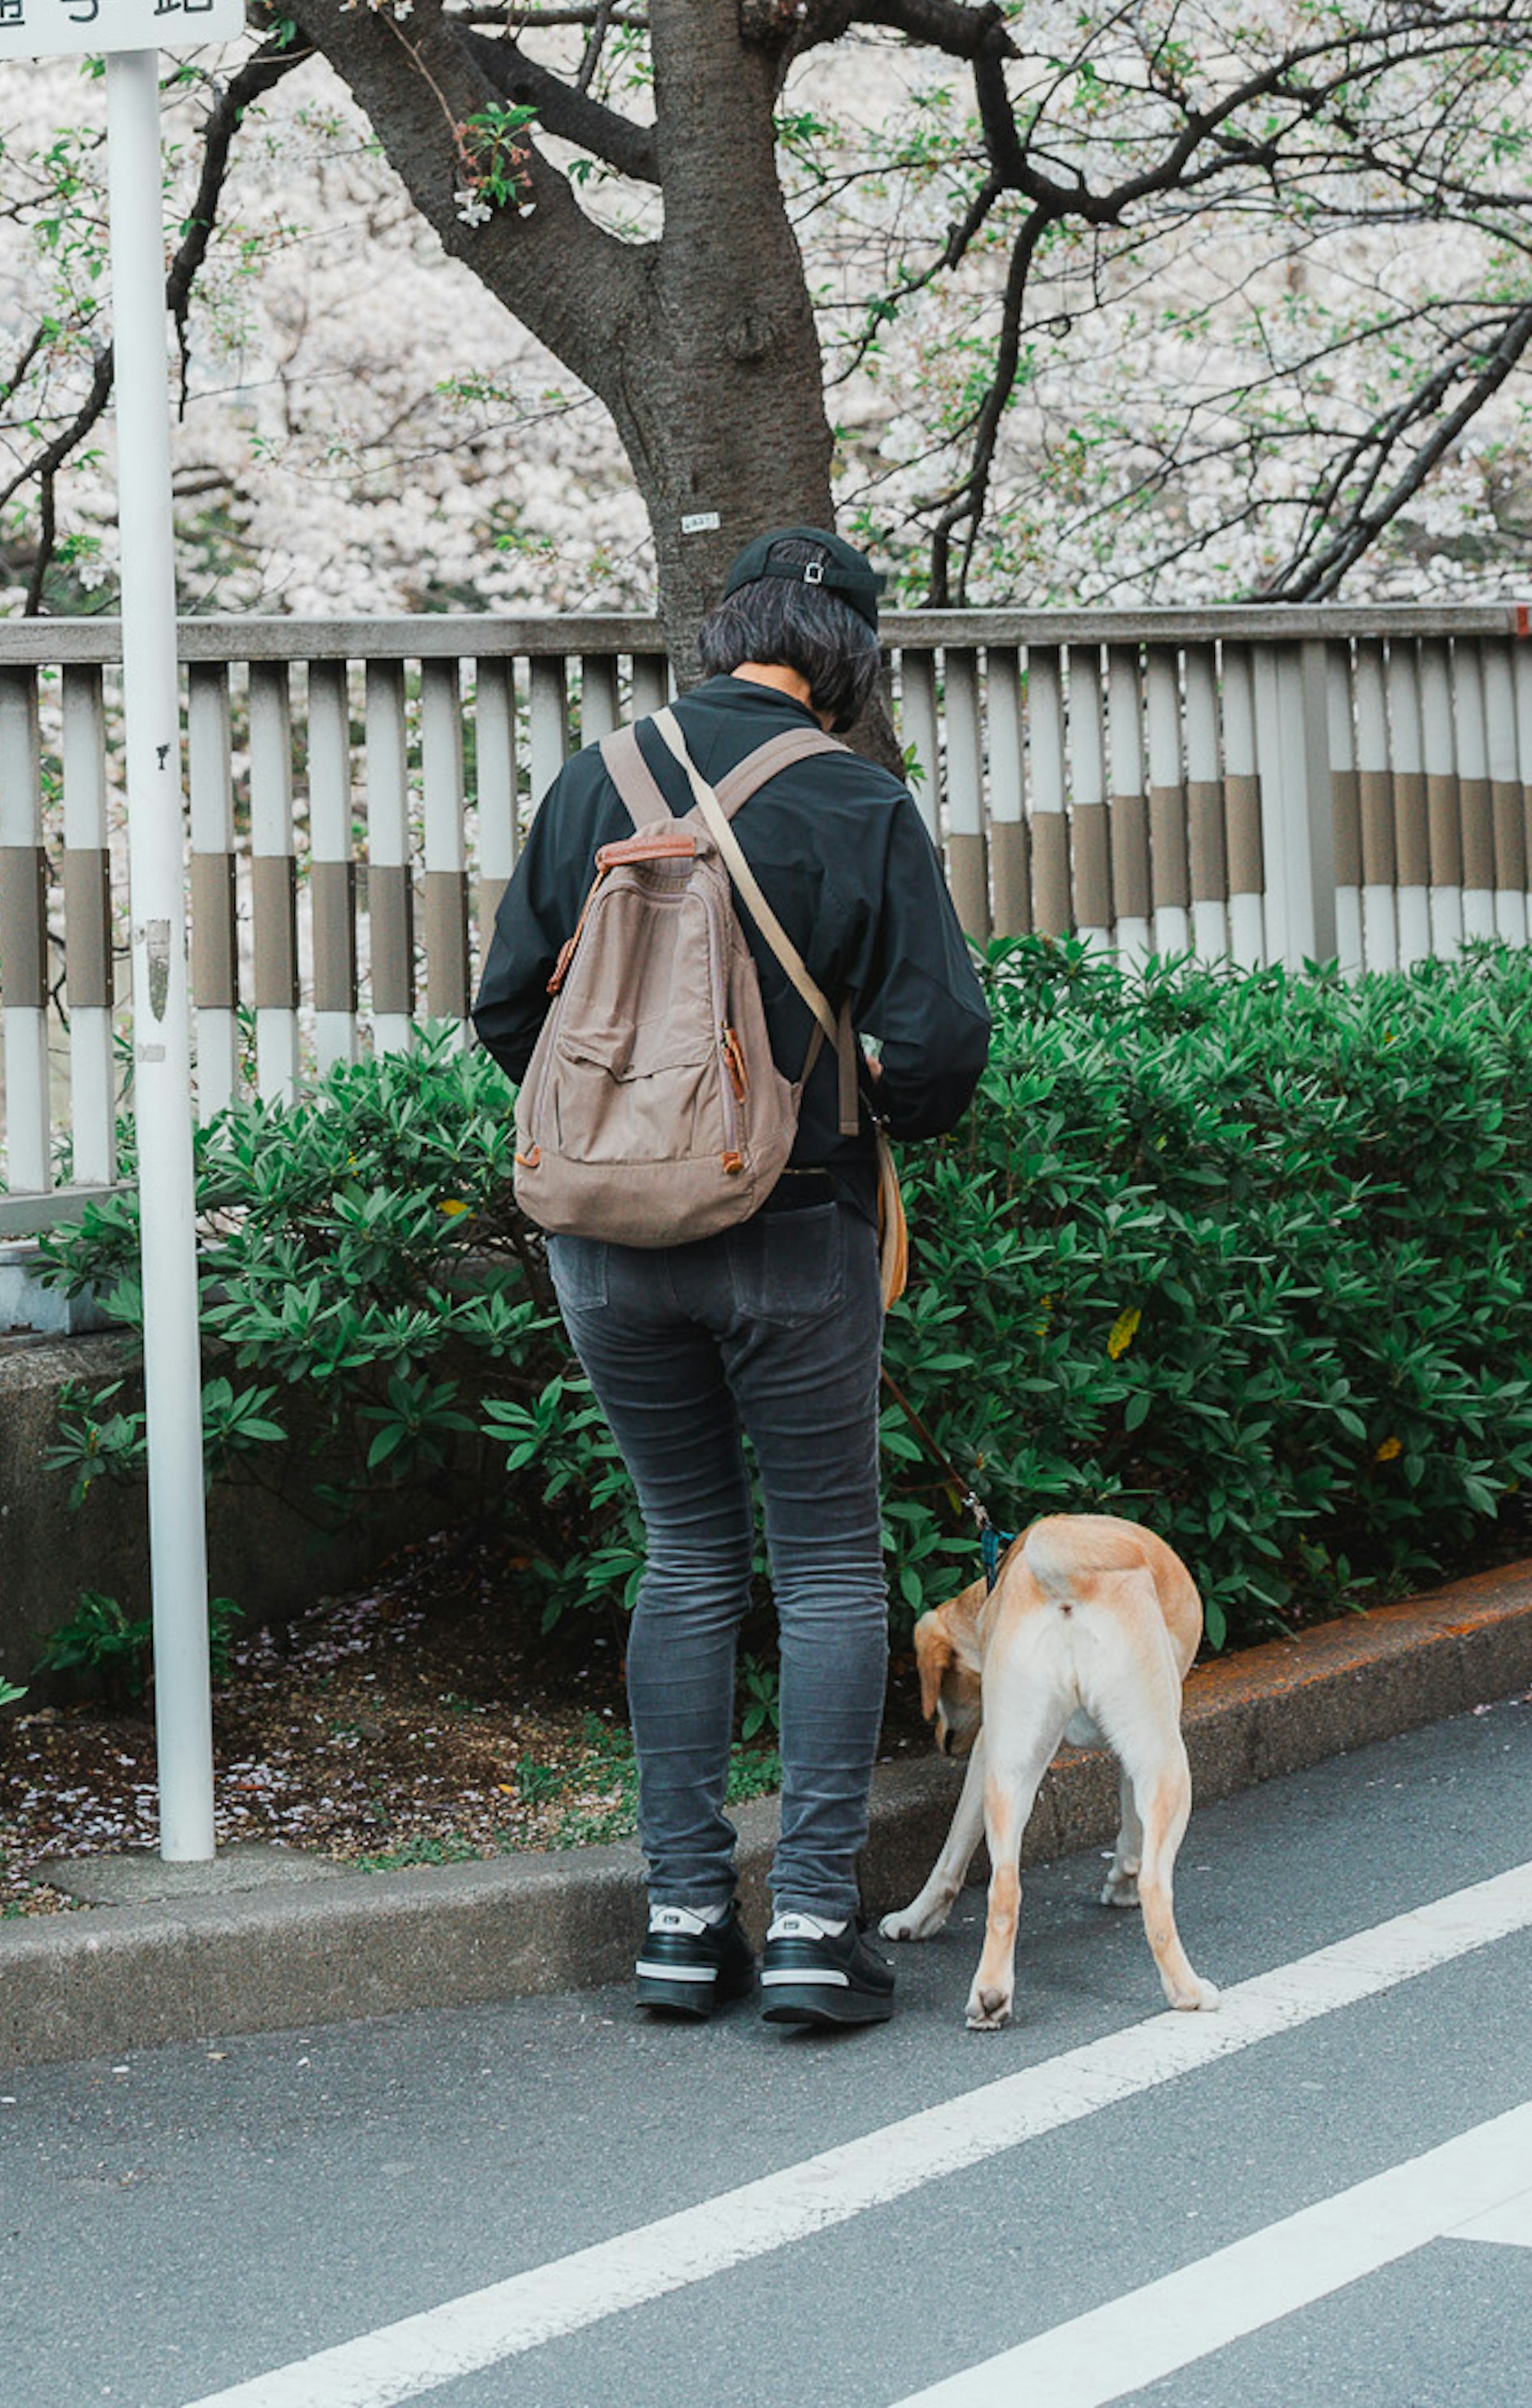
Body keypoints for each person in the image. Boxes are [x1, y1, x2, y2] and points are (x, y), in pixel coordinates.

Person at [473, 527, 990, 2034]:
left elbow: (509, 1003)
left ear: (728, 636)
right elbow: (942, 1040)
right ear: (850, 661)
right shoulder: (854, 794)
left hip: (609, 1248)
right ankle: (822, 1926)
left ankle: (686, 1924)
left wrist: (632, 1148)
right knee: (828, 1561)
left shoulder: (597, 783)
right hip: (794, 1227)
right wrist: (845, 1122)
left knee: (687, 1553)